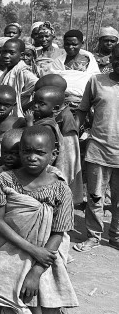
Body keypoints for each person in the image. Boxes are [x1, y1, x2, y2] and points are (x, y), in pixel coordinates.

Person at [0, 126, 78, 313]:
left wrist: (36, 271)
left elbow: (58, 233)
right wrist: (33, 250)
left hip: (45, 258)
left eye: (40, 153)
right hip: (7, 251)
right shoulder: (4, 180)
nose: (32, 157)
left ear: (53, 154)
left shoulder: (61, 189)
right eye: (26, 152)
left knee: (43, 303)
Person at [74, 44, 119, 252]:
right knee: (95, 197)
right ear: (111, 58)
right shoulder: (96, 81)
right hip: (98, 149)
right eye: (117, 58)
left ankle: (115, 236)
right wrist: (74, 132)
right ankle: (93, 236)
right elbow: (82, 110)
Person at [0, 39, 38, 117]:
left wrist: (24, 107)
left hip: (18, 117)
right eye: (4, 52)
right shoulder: (8, 71)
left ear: (21, 55)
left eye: (11, 53)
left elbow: (41, 84)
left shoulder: (23, 72)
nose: (6, 56)